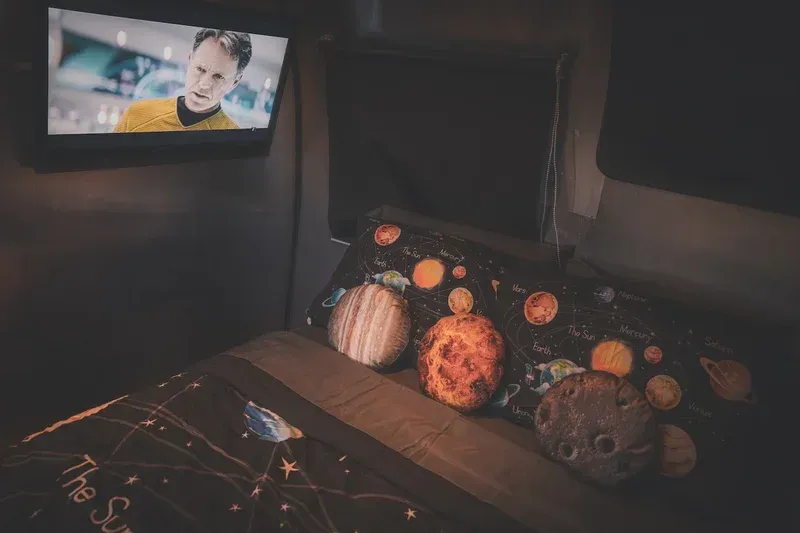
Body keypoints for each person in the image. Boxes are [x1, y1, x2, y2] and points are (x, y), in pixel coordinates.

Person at [114, 29, 252, 133]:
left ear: (235, 82)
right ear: (189, 61)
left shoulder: (234, 139)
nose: (204, 84)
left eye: (219, 77)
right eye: (200, 69)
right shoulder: (137, 114)